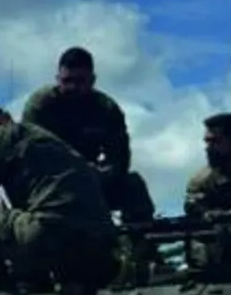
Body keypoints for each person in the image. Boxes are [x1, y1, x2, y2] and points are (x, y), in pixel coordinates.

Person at [0, 103, 117, 286]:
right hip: (103, 246)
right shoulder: (53, 142)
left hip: (51, 236)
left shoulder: (8, 132)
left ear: (5, 119)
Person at [21, 47, 156, 223]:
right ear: (57, 79)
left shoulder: (106, 108)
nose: (72, 87)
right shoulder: (40, 105)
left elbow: (120, 157)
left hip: (92, 181)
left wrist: (104, 173)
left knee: (133, 185)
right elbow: (28, 153)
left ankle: (140, 245)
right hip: (49, 183)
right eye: (66, 80)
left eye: (80, 81)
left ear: (92, 80)